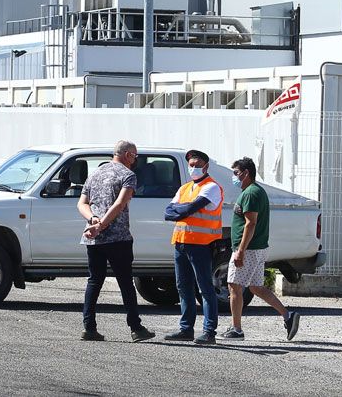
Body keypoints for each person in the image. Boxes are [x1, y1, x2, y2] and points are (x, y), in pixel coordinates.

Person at [76, 140, 155, 342]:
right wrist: (101, 224)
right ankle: (135, 327)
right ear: (128, 155)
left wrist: (92, 220)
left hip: (93, 238)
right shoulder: (127, 175)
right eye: (135, 155)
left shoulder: (95, 173)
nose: (136, 159)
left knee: (94, 280)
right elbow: (120, 203)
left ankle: (89, 327)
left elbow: (82, 203)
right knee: (125, 283)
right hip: (118, 237)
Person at [220, 157, 301, 341]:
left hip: (248, 249)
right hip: (256, 249)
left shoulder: (250, 193)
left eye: (236, 173)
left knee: (234, 286)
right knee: (256, 288)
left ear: (246, 173)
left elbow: (250, 223)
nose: (234, 177)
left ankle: (236, 329)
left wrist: (240, 250)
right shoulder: (256, 191)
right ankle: (288, 316)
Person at [163, 149, 224, 345]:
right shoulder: (185, 188)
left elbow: (188, 209)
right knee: (183, 287)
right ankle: (186, 329)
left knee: (205, 288)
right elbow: (168, 212)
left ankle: (209, 331)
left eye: (198, 165)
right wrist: (180, 211)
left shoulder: (212, 187)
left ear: (206, 166)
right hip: (180, 242)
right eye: (191, 165)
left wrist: (180, 210)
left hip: (200, 244)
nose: (194, 168)